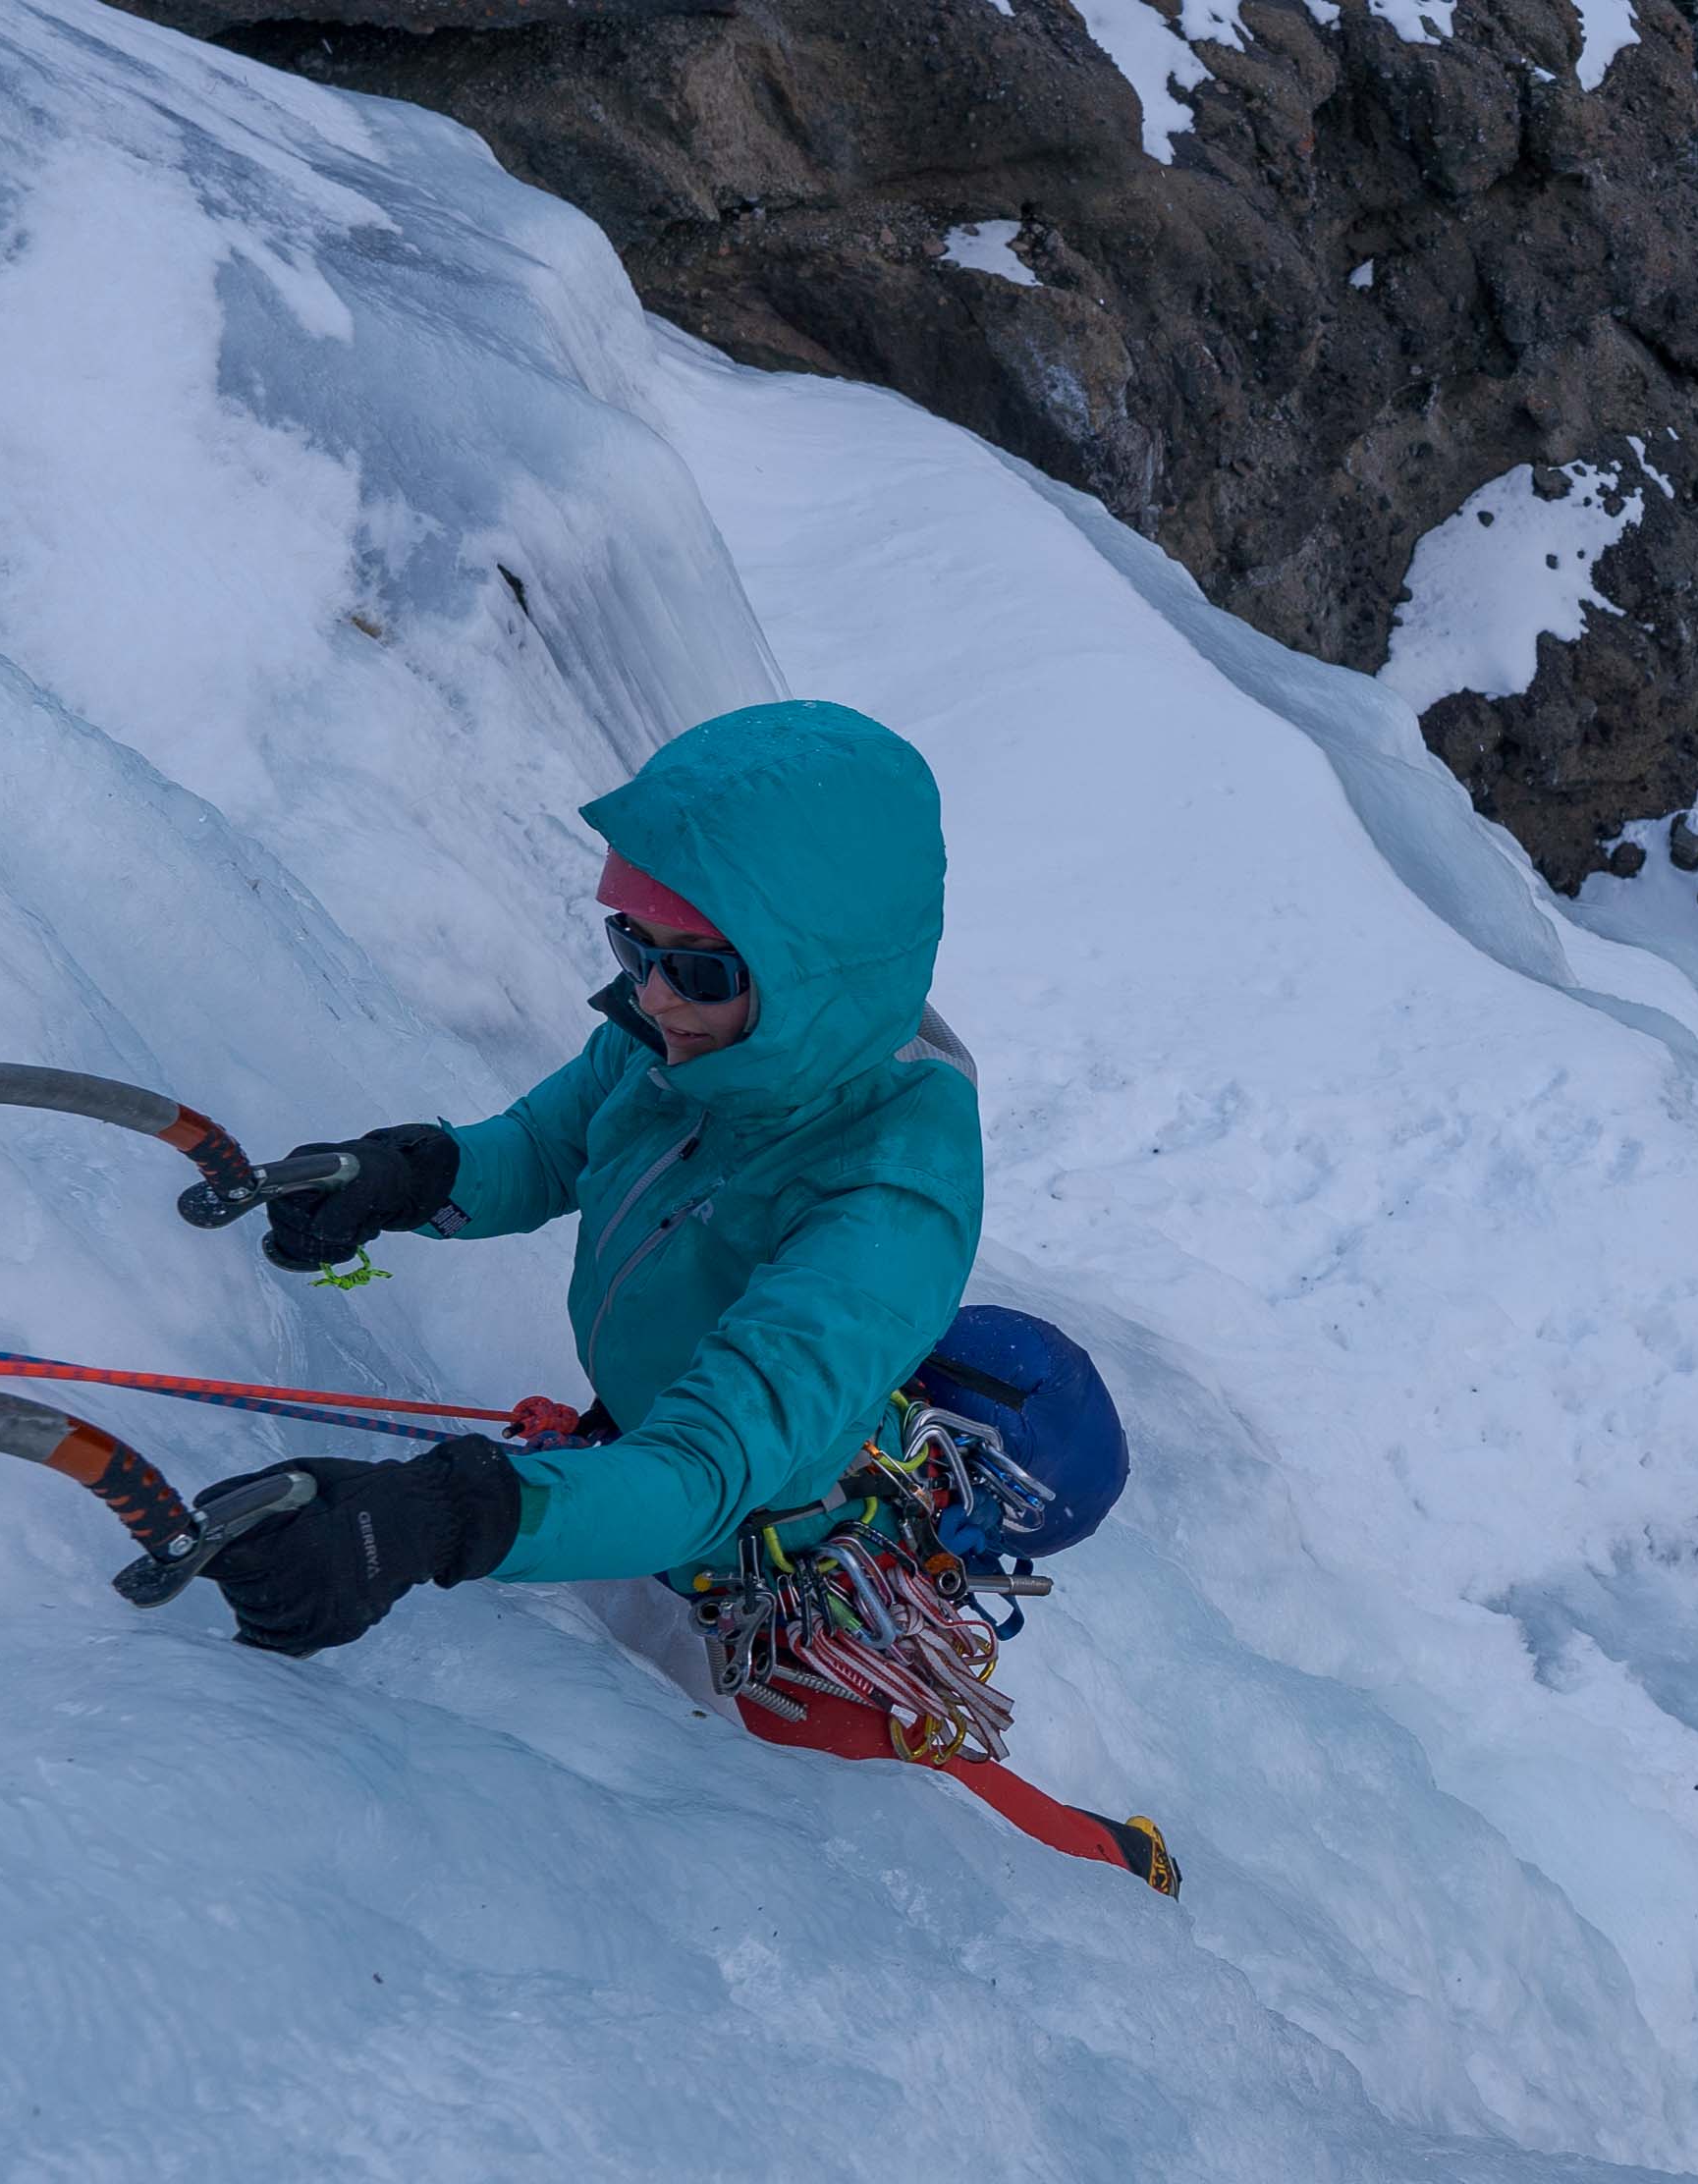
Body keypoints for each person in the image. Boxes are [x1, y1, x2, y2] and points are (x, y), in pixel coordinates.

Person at [188, 700, 1174, 1895]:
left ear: (815, 971)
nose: (651, 994)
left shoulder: (889, 1201)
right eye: (629, 943)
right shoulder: (694, 1036)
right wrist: (408, 1177)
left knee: (904, 1808)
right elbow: (549, 1148)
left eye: (694, 965)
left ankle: (1117, 1860)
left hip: (772, 1544)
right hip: (656, 1446)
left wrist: (433, 1523)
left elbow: (708, 1471)